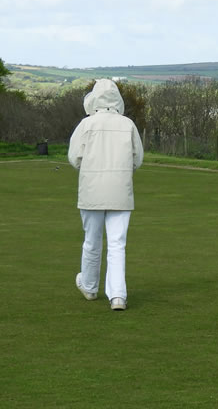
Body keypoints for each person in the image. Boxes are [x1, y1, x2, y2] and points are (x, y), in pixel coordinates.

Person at [68, 79, 144, 311]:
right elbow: (137, 159)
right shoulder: (128, 124)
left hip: (92, 190)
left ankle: (90, 287)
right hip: (121, 191)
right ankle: (118, 295)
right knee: (117, 244)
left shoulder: (86, 124)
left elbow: (74, 158)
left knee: (92, 241)